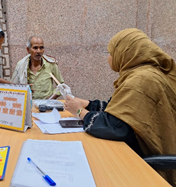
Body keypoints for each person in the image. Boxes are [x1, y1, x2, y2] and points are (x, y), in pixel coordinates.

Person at [64, 28, 176, 185]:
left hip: (139, 163)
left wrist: (79, 111)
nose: (109, 58)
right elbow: (118, 108)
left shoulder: (141, 80)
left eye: (111, 53)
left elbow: (116, 127)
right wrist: (88, 104)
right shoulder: (143, 73)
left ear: (125, 53)